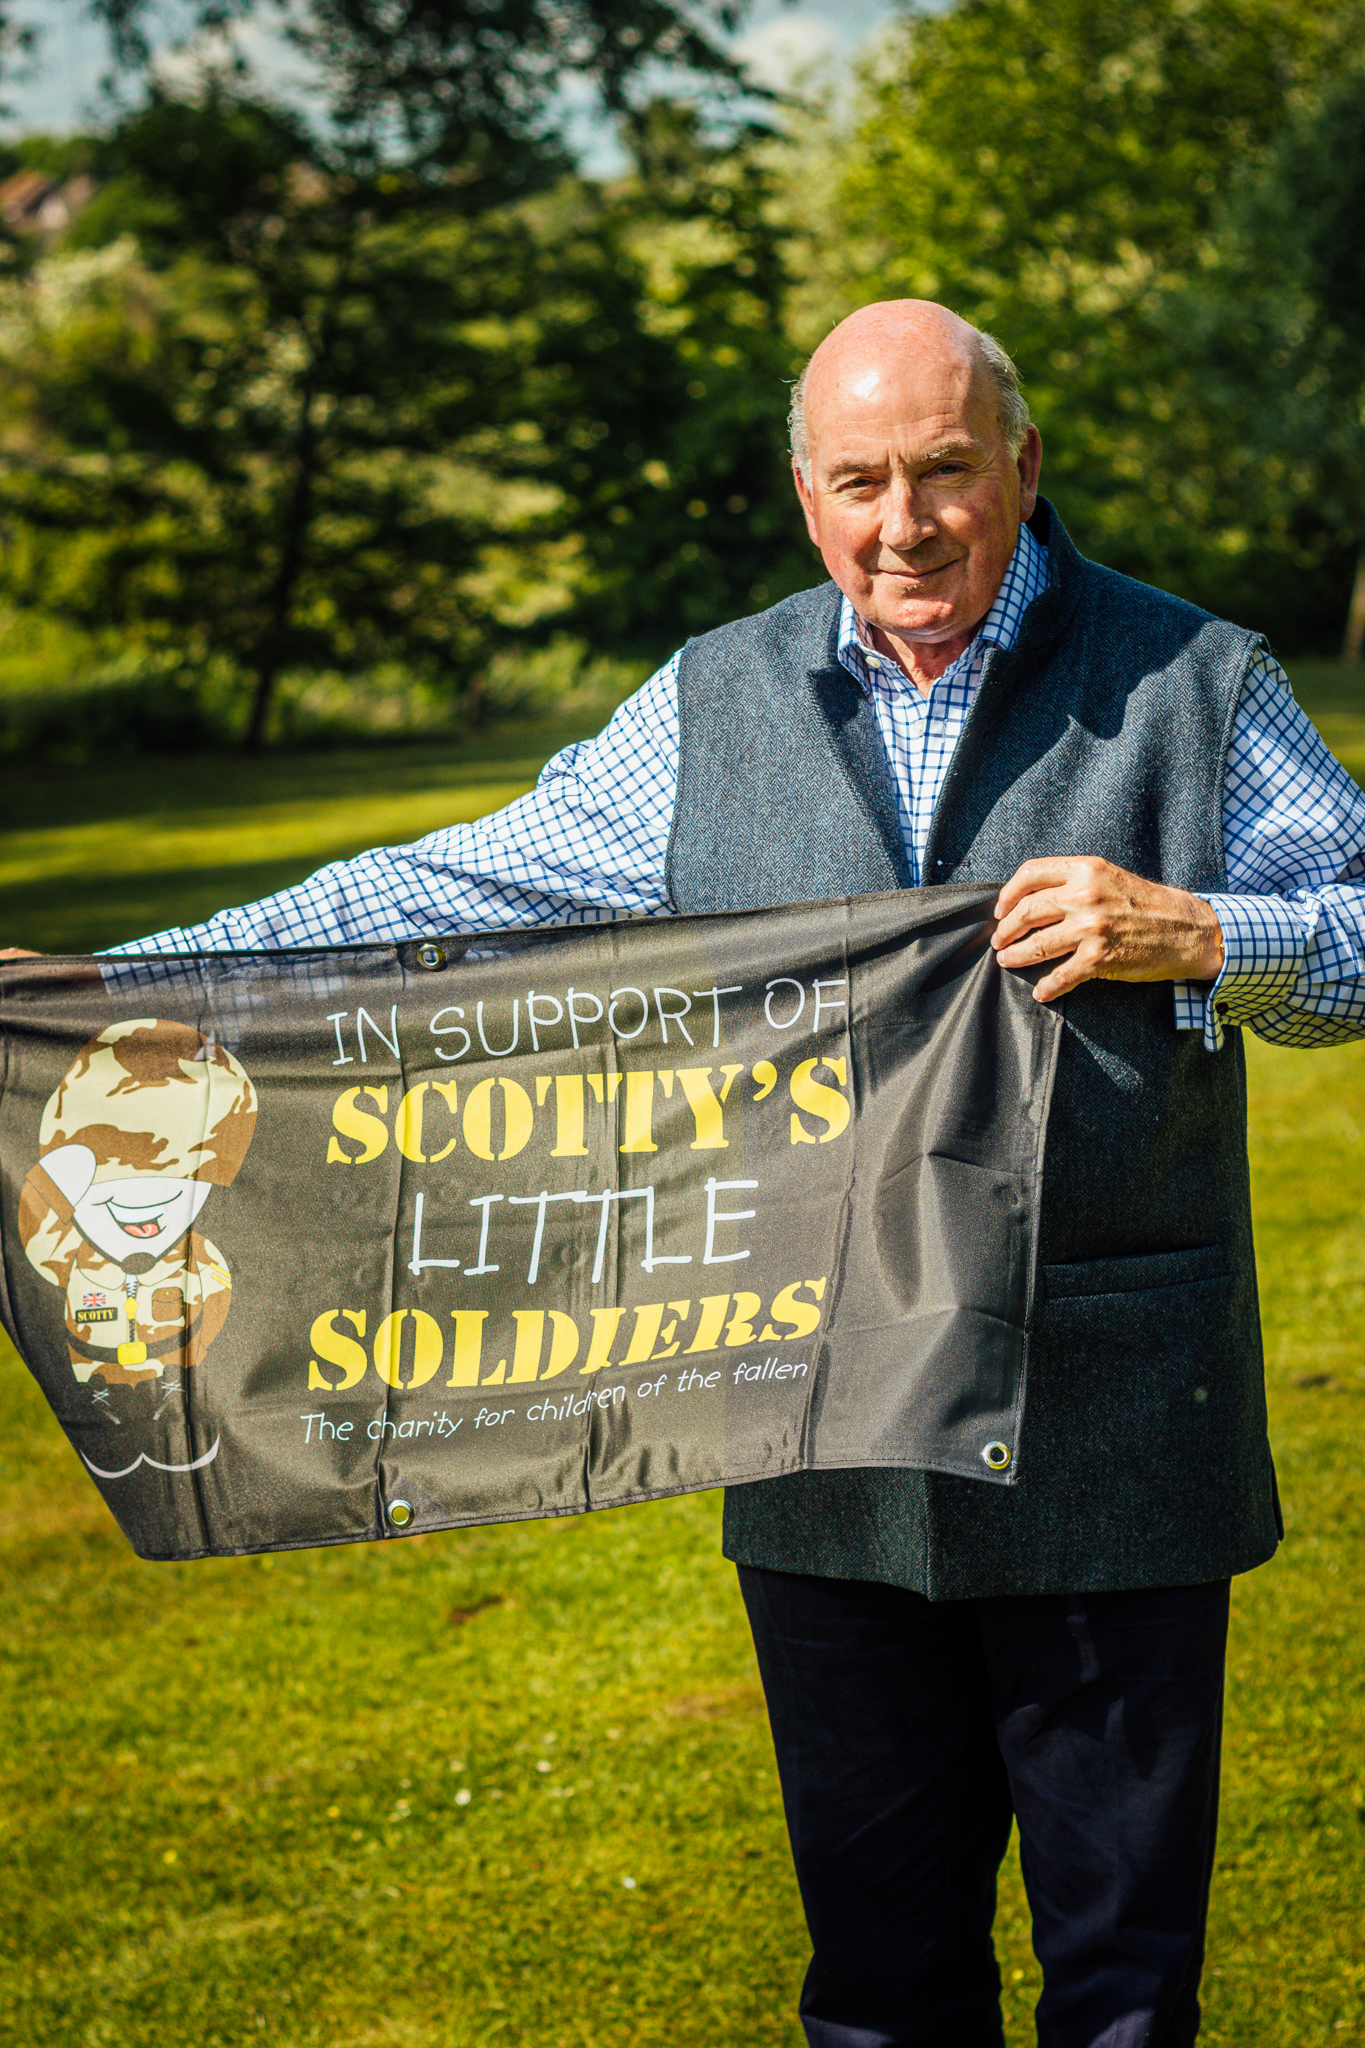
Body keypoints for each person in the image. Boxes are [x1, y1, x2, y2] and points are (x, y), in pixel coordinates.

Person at [8, 299, 1365, 2044]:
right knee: (878, 1993)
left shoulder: (1195, 683)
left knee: (1123, 1992)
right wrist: (112, 998)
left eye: (946, 471)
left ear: (1022, 469)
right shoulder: (709, 704)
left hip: (1110, 1436)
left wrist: (1206, 930)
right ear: (805, 497)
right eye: (861, 480)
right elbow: (439, 896)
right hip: (816, 1447)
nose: (906, 524)